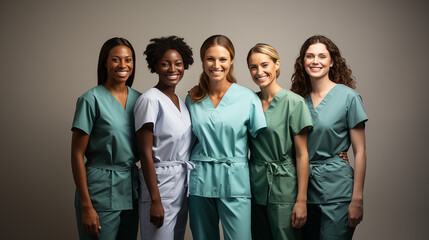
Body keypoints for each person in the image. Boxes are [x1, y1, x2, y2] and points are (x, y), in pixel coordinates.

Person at [185, 35, 266, 240]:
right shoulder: (193, 98)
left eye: (223, 59)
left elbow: (262, 145)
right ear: (203, 61)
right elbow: (184, 142)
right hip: (200, 179)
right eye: (210, 59)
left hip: (235, 179)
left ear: (231, 61)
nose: (216, 65)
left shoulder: (248, 98)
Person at [291, 35, 368, 240]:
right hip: (302, 191)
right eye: (310, 56)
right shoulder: (297, 100)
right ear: (302, 61)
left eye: (322, 56)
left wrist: (357, 199)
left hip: (338, 190)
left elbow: (360, 152)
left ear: (332, 61)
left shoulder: (348, 97)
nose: (315, 61)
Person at [71, 37, 140, 240]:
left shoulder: (141, 100)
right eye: (116, 59)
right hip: (99, 192)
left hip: (131, 191)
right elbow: (76, 154)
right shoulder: (90, 100)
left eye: (128, 60)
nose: (123, 65)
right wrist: (86, 205)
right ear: (105, 63)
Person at [246, 43, 312, 240]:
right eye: (253, 67)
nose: (259, 72)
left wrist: (301, 200)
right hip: (254, 186)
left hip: (285, 188)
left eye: (265, 65)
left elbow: (302, 154)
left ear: (277, 64)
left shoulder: (294, 102)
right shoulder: (249, 101)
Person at [133, 36, 194, 240]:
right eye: (165, 64)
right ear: (155, 66)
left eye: (178, 64)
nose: (172, 69)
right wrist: (155, 200)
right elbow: (144, 153)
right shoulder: (149, 100)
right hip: (159, 184)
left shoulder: (181, 102)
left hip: (182, 184)